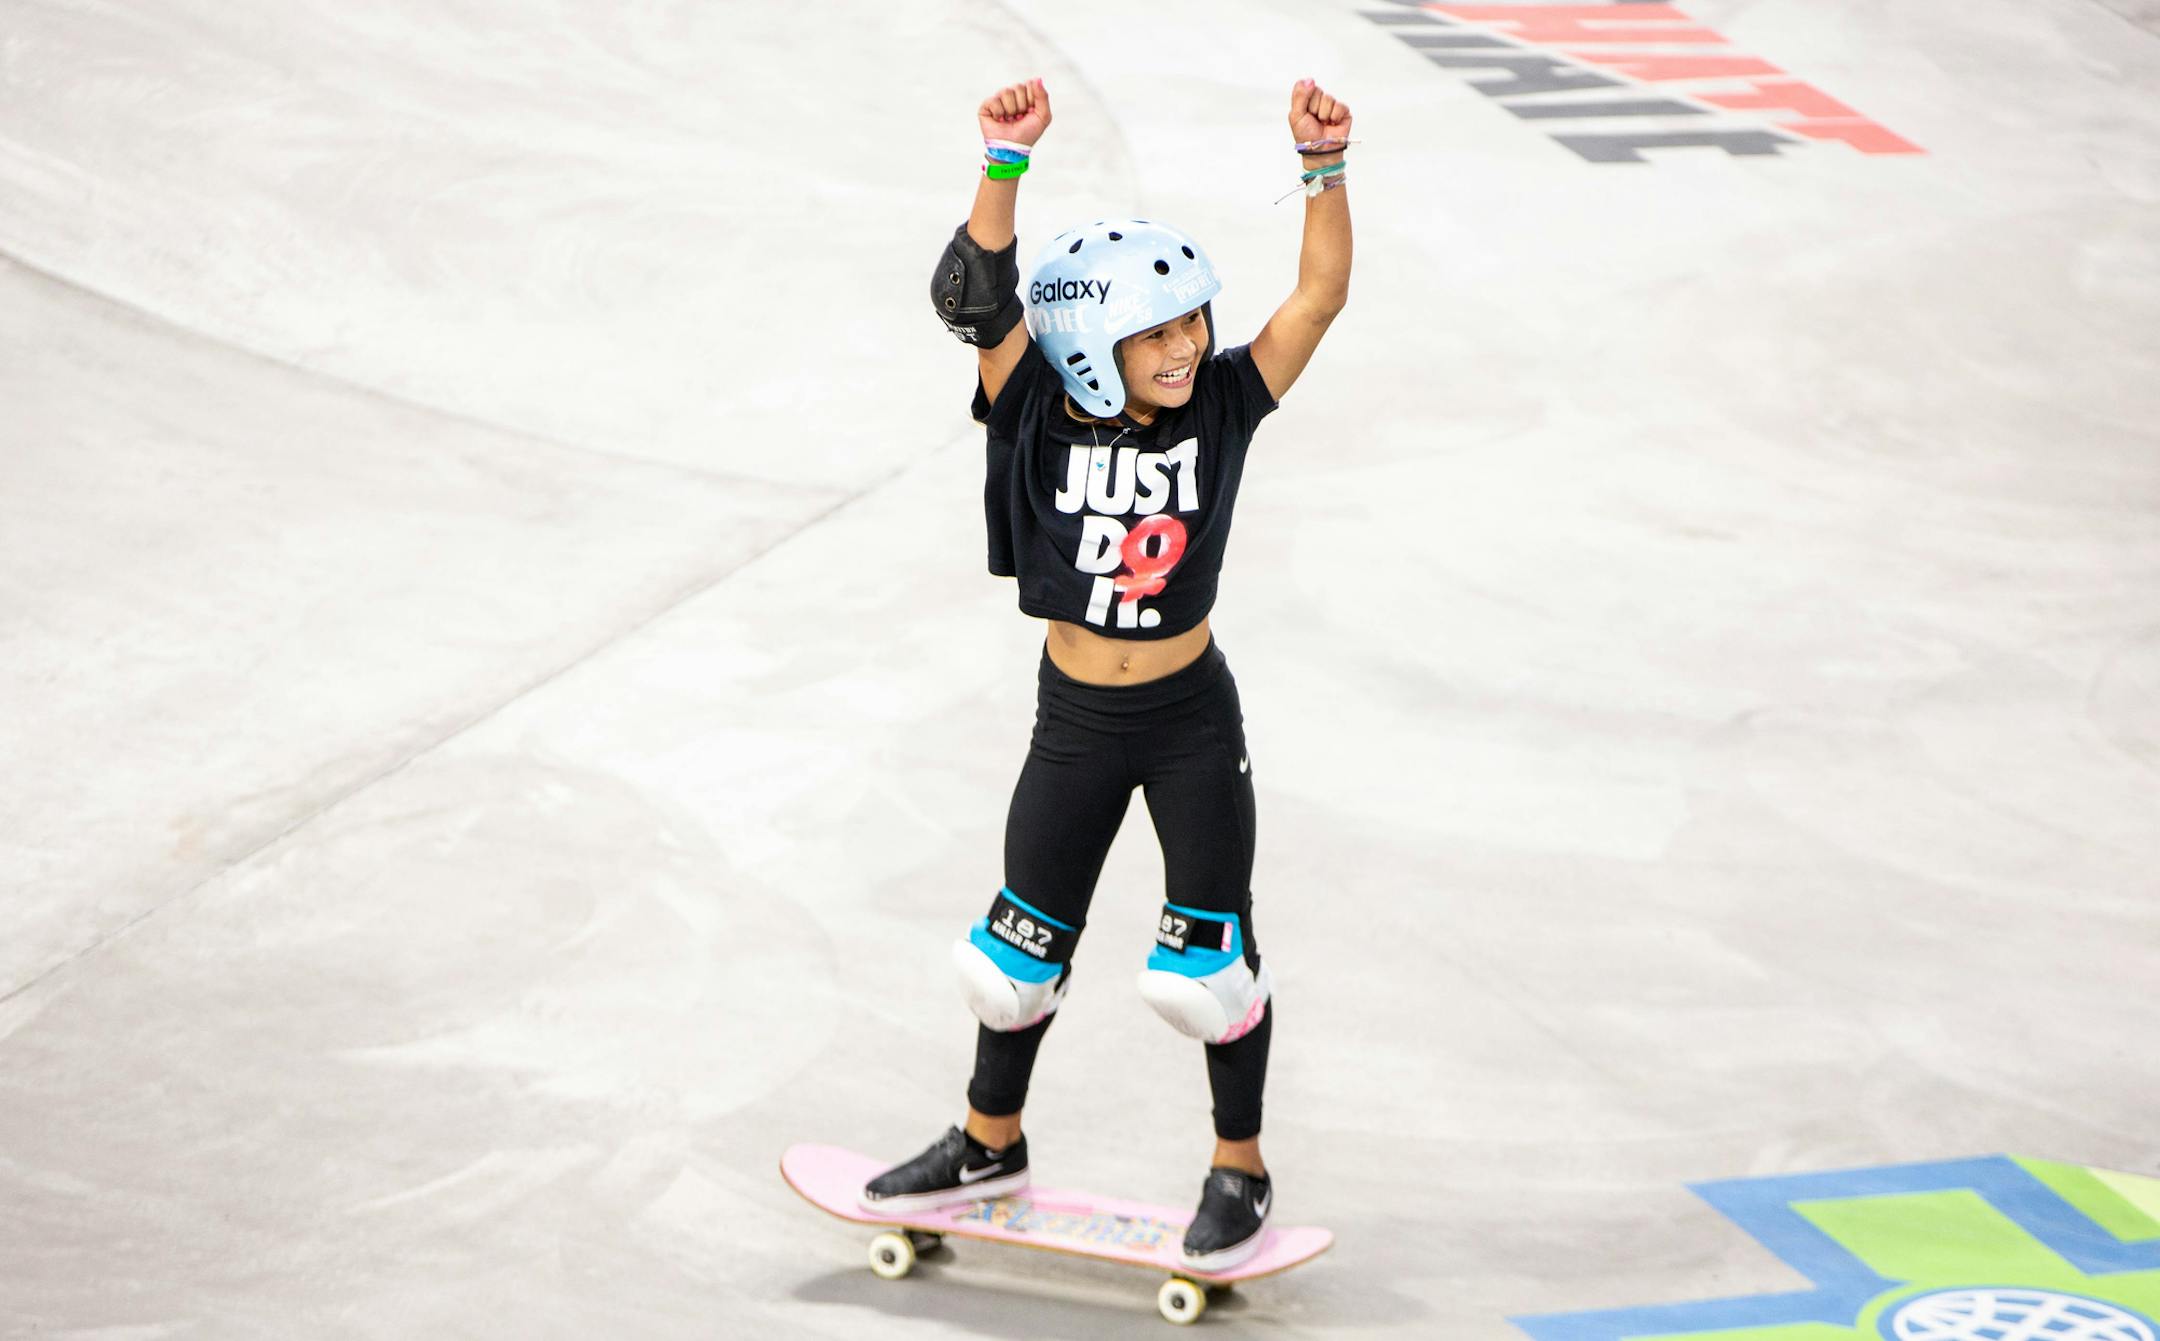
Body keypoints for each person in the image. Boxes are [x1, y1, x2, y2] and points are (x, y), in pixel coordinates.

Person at [860, 74, 1353, 1272]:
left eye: (1191, 321)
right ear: (1089, 347)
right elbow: (977, 294)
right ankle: (989, 1144)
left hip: (1189, 720)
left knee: (1209, 968)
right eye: (1159, 331)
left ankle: (1239, 1168)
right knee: (1012, 959)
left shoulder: (1226, 402)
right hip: (1073, 721)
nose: (1189, 346)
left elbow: (1320, 295)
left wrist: (1321, 166)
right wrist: (1003, 161)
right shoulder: (1030, 405)